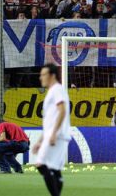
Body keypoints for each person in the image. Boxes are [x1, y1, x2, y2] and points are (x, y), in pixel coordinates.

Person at [32, 64, 71, 196]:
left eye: (43, 74)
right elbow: (49, 121)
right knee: (54, 168)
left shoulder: (57, 90)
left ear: (52, 75)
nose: (40, 77)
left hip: (57, 135)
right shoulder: (53, 91)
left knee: (40, 164)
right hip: (54, 134)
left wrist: (54, 133)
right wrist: (40, 141)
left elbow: (62, 111)